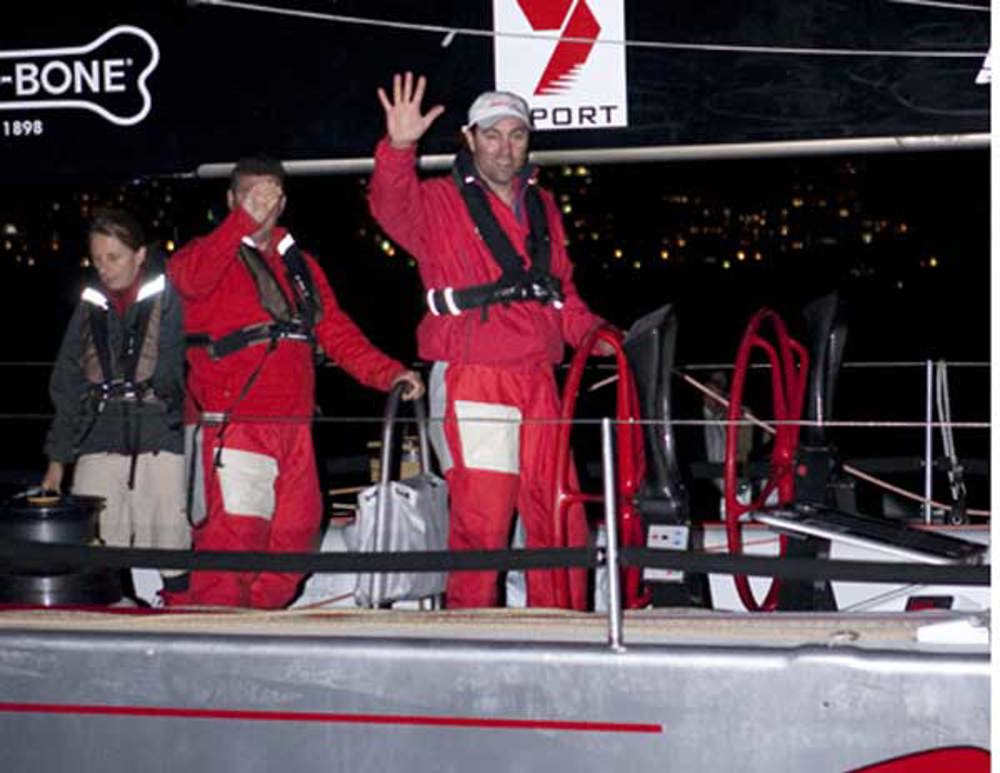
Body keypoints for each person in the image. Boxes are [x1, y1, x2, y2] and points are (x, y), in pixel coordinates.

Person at [369, 72, 611, 610]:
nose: (506, 146)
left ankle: (562, 629)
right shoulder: (435, 202)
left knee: (561, 514)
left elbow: (560, 295)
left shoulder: (543, 206)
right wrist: (399, 147)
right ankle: (472, 637)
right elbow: (390, 205)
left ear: (529, 141)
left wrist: (596, 335)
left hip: (539, 381)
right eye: (493, 134)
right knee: (483, 520)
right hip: (473, 376)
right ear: (470, 139)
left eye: (517, 134)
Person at [168, 155, 424, 609]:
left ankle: (256, 630)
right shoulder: (205, 257)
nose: (261, 204)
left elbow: (336, 332)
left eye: (270, 194)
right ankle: (214, 650)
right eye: (249, 195)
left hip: (296, 432)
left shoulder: (300, 265)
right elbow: (185, 280)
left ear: (283, 201)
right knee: (232, 551)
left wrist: (389, 373)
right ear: (231, 200)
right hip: (235, 429)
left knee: (297, 543)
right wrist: (240, 224)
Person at [42, 209, 190, 599]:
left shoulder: (175, 295)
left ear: (140, 254)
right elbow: (68, 381)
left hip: (163, 435)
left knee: (171, 544)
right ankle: (111, 627)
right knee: (99, 547)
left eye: (114, 257)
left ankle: (181, 622)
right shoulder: (90, 305)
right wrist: (58, 459)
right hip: (98, 435)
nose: (104, 269)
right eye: (97, 260)